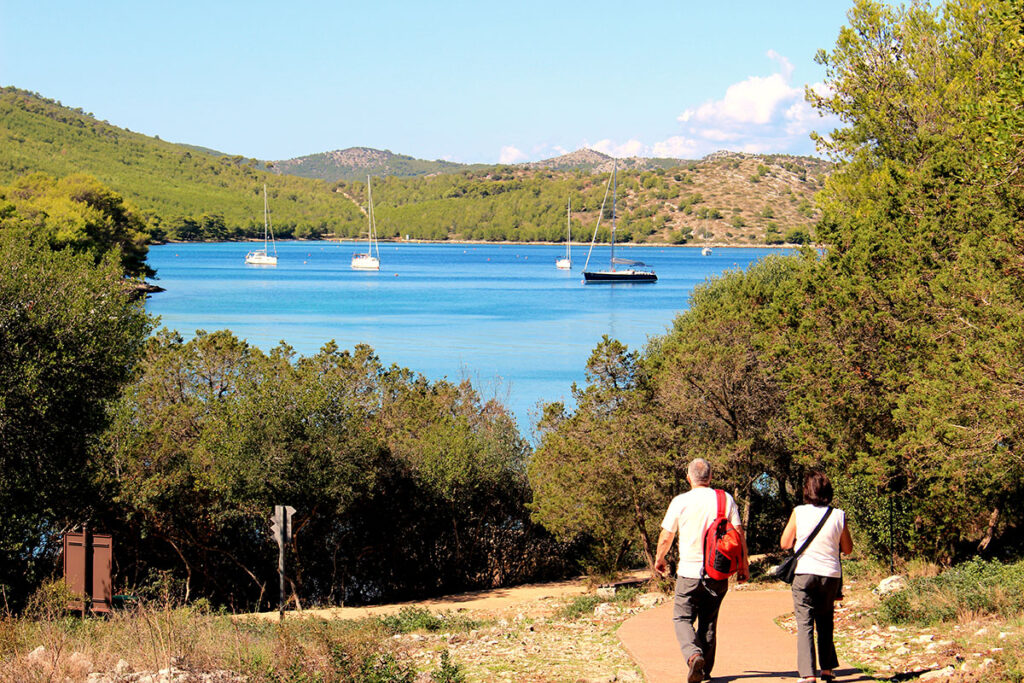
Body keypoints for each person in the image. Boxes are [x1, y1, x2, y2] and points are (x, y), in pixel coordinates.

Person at [654, 458, 750, 683]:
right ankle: (704, 672)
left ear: (689, 478)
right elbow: (738, 534)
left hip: (689, 572)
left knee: (681, 618)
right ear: (711, 476)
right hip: (718, 572)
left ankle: (693, 655)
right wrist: (744, 566)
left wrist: (660, 558)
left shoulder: (680, 501)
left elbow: (667, 535)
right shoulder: (725, 499)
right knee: (708, 621)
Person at [780, 470, 854, 683]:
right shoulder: (838, 515)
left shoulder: (799, 512)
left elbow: (785, 543)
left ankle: (808, 673)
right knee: (825, 622)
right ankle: (828, 669)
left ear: (807, 491)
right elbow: (847, 549)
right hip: (830, 575)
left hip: (804, 572)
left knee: (804, 624)